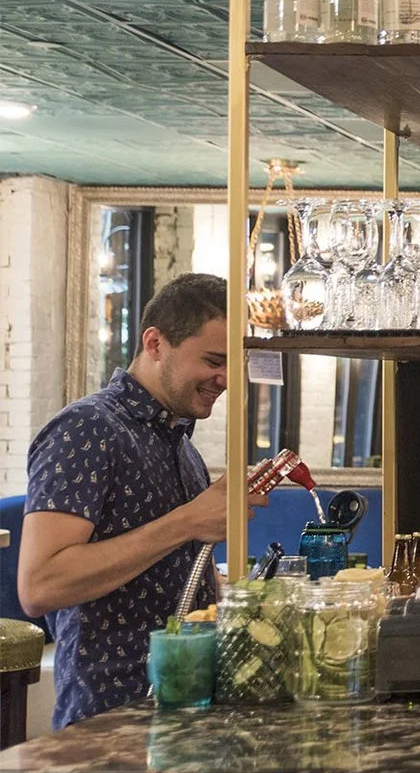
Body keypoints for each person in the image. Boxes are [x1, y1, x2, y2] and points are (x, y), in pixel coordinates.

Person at [18, 273, 265, 728]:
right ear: (155, 343)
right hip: (109, 718)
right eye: (214, 360)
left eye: (233, 364)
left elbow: (180, 578)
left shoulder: (182, 446)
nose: (225, 379)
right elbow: (39, 586)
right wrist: (187, 522)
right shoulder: (86, 429)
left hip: (182, 711)